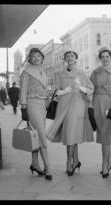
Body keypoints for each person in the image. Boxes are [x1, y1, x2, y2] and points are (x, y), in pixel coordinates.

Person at [47, 50, 94, 176]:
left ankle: (69, 162)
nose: (69, 58)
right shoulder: (60, 74)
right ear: (65, 59)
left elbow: (90, 88)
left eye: (72, 56)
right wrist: (63, 91)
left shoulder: (81, 73)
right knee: (72, 134)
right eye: (67, 56)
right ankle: (76, 161)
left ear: (76, 58)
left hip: (77, 105)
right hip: (63, 106)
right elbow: (54, 90)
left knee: (71, 134)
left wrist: (81, 88)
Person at [19, 47, 52, 180]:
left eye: (38, 56)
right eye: (33, 56)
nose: (36, 58)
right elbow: (23, 91)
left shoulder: (42, 72)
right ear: (29, 58)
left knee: (36, 136)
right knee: (42, 136)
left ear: (42, 58)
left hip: (42, 105)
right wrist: (23, 109)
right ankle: (48, 167)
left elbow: (45, 89)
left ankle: (34, 163)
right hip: (31, 103)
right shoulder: (26, 72)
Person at [90, 47, 111, 178]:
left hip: (110, 104)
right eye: (102, 57)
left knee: (106, 133)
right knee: (103, 134)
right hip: (97, 102)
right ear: (100, 58)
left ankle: (105, 164)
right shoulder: (95, 72)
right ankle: (110, 162)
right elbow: (89, 87)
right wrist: (89, 106)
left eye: (107, 56)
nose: (105, 59)